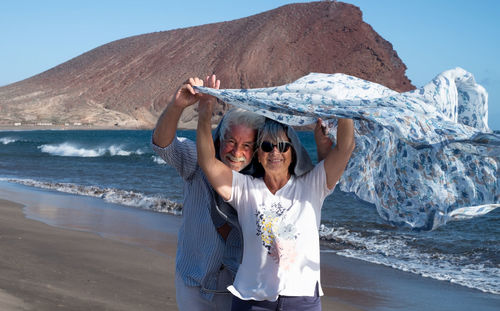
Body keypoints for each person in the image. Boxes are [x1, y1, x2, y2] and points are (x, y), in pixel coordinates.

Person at [197, 87, 355, 310]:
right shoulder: (245, 189)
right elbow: (208, 162)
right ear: (258, 155)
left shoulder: (313, 185)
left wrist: (344, 106)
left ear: (292, 152)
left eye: (282, 146)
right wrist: (205, 112)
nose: (275, 153)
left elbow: (346, 147)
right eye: (267, 146)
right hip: (251, 300)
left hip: (302, 301)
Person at [152, 75, 265, 311]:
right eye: (231, 141)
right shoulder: (196, 161)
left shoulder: (260, 182)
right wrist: (177, 106)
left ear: (255, 150)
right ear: (219, 138)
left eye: (246, 145)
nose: (237, 152)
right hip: (193, 280)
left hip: (237, 290)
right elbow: (163, 145)